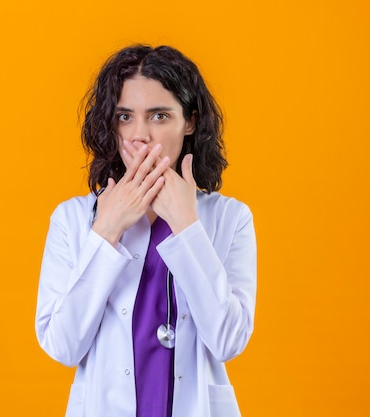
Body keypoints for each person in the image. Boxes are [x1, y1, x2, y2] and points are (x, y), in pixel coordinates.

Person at [35, 44, 257, 417]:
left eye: (158, 116)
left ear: (189, 121)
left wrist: (187, 227)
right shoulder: (73, 219)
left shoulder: (229, 218)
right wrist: (105, 233)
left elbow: (228, 341)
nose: (140, 135)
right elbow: (63, 346)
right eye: (125, 116)